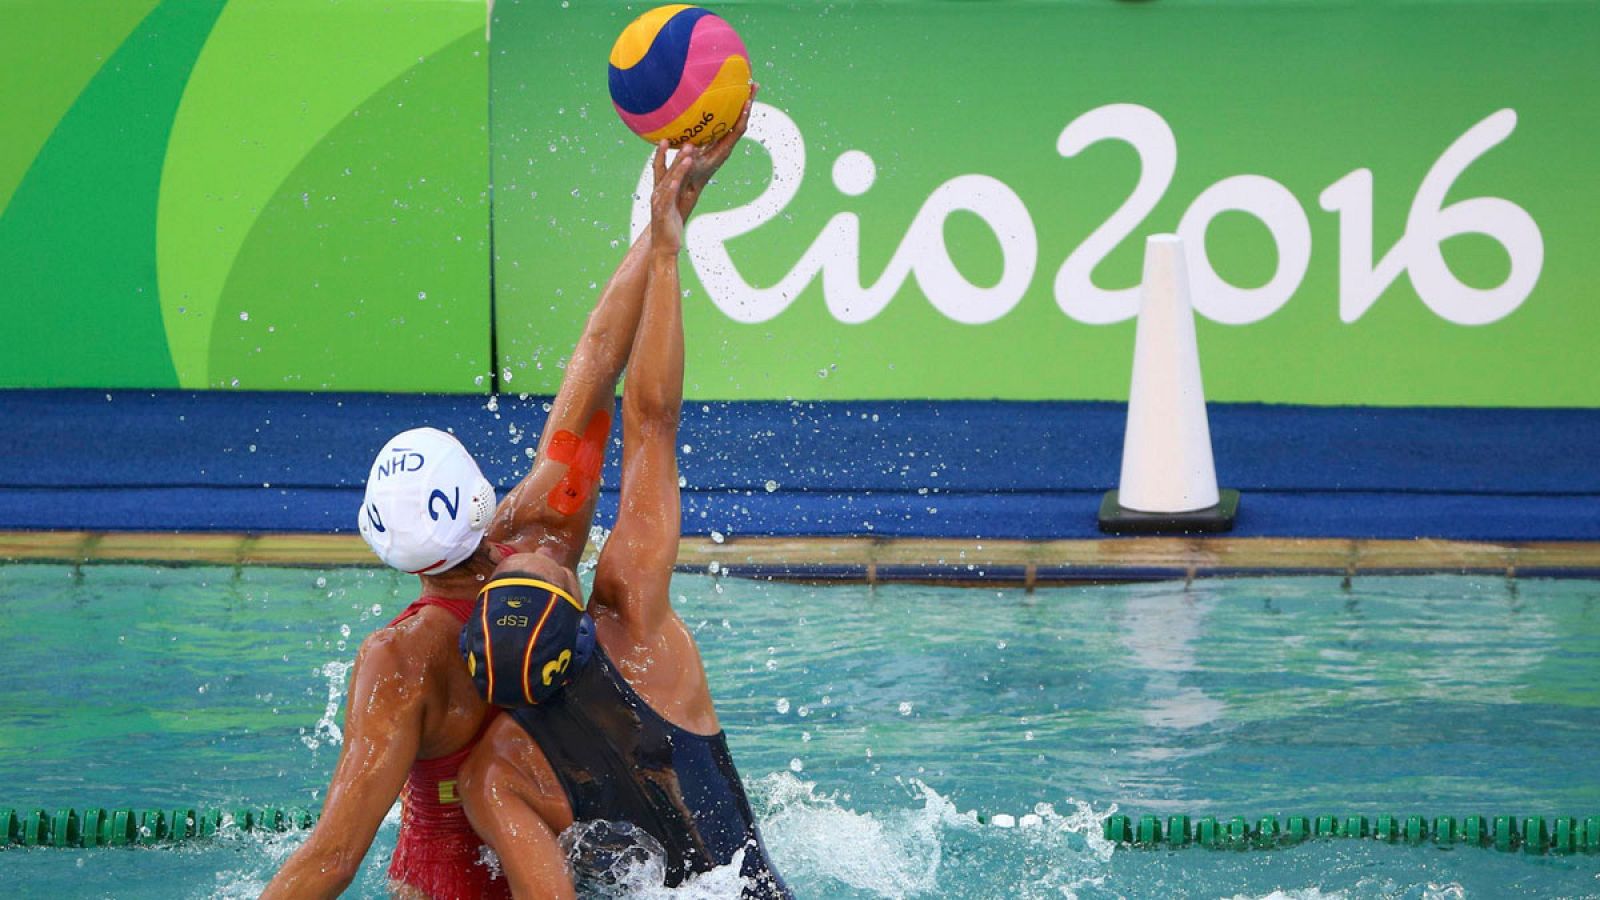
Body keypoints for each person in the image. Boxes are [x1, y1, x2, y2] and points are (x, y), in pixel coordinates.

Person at [259, 108, 752, 899]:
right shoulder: (550, 529)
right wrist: (669, 224)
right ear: (481, 502)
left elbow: (330, 862)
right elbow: (601, 361)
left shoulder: (399, 665)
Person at [455, 94, 792, 900]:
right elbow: (651, 423)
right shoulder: (635, 622)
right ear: (581, 616)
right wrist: (671, 252)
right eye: (548, 565)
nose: (539, 544)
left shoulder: (496, 772)